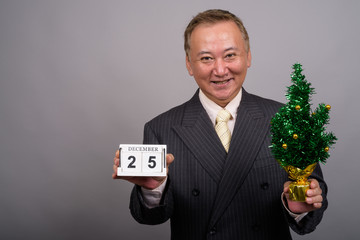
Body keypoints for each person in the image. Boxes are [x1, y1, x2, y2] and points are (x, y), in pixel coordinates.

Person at [113, 9, 327, 239]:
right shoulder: (160, 129)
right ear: (189, 64)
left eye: (230, 55)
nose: (220, 70)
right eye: (206, 58)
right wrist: (152, 189)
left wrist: (298, 207)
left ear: (248, 57)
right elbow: (150, 218)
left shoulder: (286, 119)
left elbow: (311, 206)